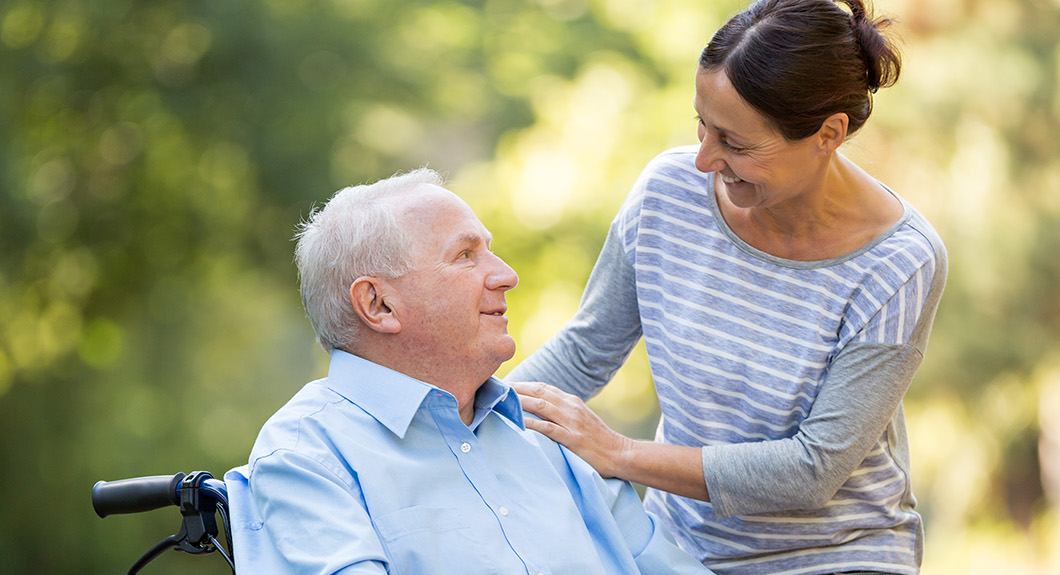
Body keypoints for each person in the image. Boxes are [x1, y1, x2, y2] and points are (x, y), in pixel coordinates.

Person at [506, 1, 947, 574]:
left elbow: (812, 470)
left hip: (839, 556)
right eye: (701, 125)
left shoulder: (899, 261)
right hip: (677, 548)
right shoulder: (667, 194)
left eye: (736, 145)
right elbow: (586, 351)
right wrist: (463, 413)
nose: (704, 160)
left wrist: (619, 454)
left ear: (828, 134)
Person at [223, 170, 712, 575]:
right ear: (378, 303)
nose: (506, 275)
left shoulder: (555, 436)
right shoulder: (306, 457)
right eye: (465, 256)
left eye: (489, 251)